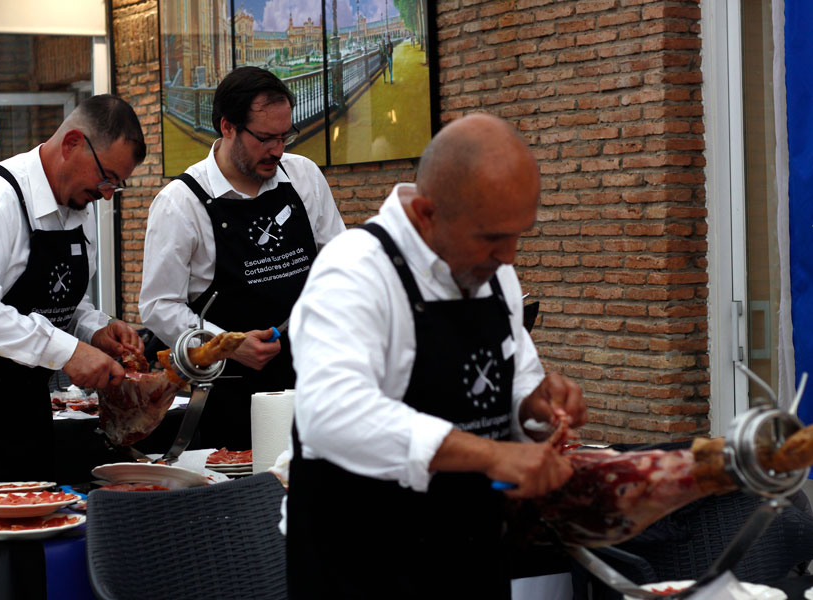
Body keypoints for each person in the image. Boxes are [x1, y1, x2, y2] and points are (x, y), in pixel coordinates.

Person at [286, 113, 587, 599]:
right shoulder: (355, 271)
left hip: (474, 560)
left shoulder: (493, 272)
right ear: (426, 214)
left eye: (518, 234)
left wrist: (536, 407)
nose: (509, 256)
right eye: (492, 238)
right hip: (365, 569)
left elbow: (514, 382)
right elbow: (331, 414)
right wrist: (491, 456)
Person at [0, 94, 147, 484]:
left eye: (116, 186)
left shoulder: (79, 209)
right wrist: (68, 352)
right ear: (72, 143)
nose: (107, 194)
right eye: (105, 177)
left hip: (22, 413)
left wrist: (95, 329)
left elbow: (60, 302)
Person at [139, 66, 345, 449]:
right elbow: (158, 306)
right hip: (233, 397)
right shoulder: (181, 203)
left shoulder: (304, 177)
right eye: (265, 138)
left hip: (317, 381)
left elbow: (339, 265)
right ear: (227, 127)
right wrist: (228, 343)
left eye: (285, 136)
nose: (278, 150)